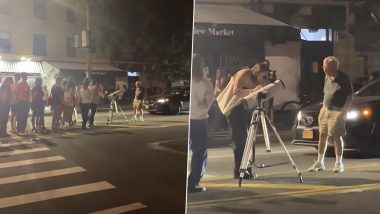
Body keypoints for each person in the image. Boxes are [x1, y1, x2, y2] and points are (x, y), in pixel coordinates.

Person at [217, 62, 271, 179]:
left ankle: (247, 168)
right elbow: (236, 91)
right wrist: (253, 90)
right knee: (240, 140)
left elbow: (265, 90)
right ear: (257, 72)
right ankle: (239, 170)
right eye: (263, 75)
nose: (264, 78)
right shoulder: (245, 73)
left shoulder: (258, 80)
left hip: (245, 109)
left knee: (249, 140)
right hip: (233, 109)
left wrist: (266, 82)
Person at [308, 56, 352, 173]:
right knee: (322, 135)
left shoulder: (343, 79)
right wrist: (323, 107)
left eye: (325, 67)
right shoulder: (327, 77)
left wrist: (344, 112)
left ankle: (339, 163)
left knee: (336, 137)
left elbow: (349, 96)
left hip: (337, 111)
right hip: (325, 109)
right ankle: (320, 162)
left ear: (333, 67)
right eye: (323, 66)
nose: (323, 69)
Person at [188, 54, 215, 193]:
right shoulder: (206, 83)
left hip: (189, 119)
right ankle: (193, 183)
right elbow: (208, 103)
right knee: (199, 153)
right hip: (199, 120)